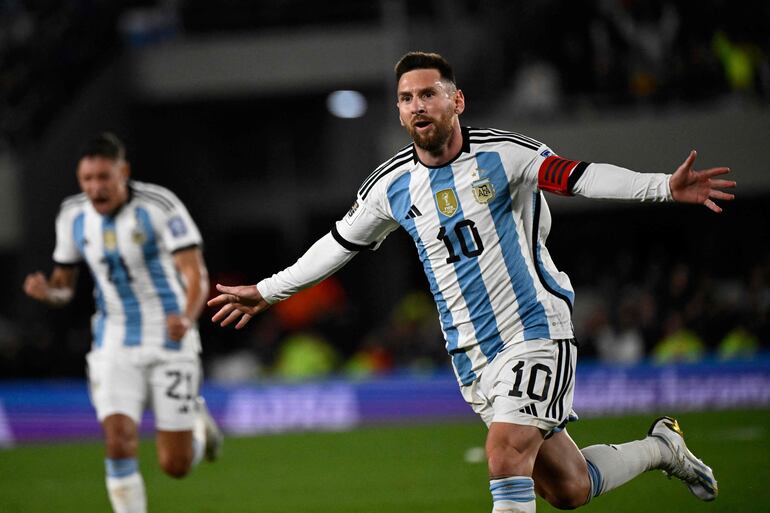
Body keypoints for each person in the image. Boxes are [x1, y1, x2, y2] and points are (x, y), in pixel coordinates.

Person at [207, 52, 734, 512]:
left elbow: (581, 176)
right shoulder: (392, 185)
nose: (417, 105)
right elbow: (338, 244)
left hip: (535, 333)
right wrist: (269, 290)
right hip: (472, 356)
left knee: (505, 452)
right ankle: (664, 448)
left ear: (456, 100)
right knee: (569, 488)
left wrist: (662, 186)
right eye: (406, 98)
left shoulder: (504, 155)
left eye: (428, 94)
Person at [24, 132, 223, 513]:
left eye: (104, 178)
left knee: (175, 466)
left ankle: (199, 427)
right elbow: (64, 287)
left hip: (170, 336)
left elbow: (195, 273)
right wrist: (48, 293)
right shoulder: (72, 215)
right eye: (87, 180)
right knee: (117, 439)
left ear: (123, 172)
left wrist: (186, 315)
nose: (95, 188)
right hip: (113, 337)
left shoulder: (160, 205)